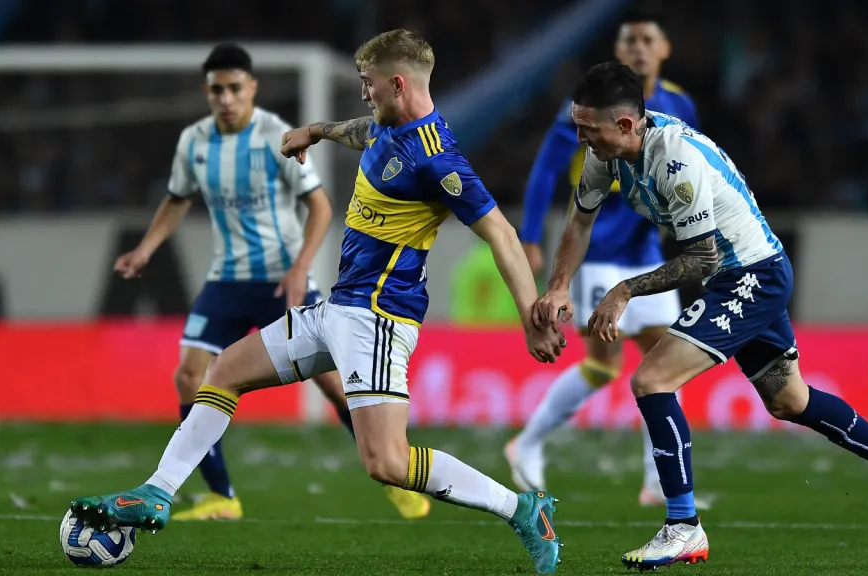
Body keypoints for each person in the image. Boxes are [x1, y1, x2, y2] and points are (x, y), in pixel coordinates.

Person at [71, 30, 566, 574]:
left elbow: (500, 233)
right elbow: (362, 131)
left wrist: (530, 316)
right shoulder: (388, 125)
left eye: (368, 85)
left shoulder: (438, 160)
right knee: (223, 371)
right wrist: (317, 131)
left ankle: (522, 509)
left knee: (386, 463)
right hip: (337, 310)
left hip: (378, 320)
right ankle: (158, 492)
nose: (363, 95)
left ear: (397, 84)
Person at [533, 62, 868, 570]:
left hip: (751, 276)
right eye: (578, 125)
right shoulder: (605, 156)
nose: (580, 137)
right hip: (743, 276)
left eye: (587, 128)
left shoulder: (675, 161)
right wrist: (557, 287)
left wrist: (625, 290)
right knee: (790, 400)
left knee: (652, 380)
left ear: (625, 124)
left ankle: (682, 526)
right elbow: (579, 222)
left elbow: (702, 258)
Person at [110, 42, 428, 522]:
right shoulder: (193, 142)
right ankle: (222, 495)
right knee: (189, 376)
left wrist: (301, 266)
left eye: (235, 88)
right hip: (228, 278)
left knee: (332, 383)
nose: (226, 98)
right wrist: (145, 250)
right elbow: (176, 200)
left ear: (252, 88)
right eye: (216, 90)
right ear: (206, 92)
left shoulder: (274, 135)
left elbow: (319, 204)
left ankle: (393, 475)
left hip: (281, 279)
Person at [507, 11, 703, 508]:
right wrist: (530, 235)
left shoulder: (679, 105)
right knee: (605, 366)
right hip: (600, 253)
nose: (638, 47)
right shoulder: (587, 110)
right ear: (618, 53)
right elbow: (546, 168)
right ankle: (525, 442)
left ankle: (657, 482)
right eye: (629, 40)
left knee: (666, 362)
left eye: (647, 39)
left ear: (664, 49)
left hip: (647, 255)